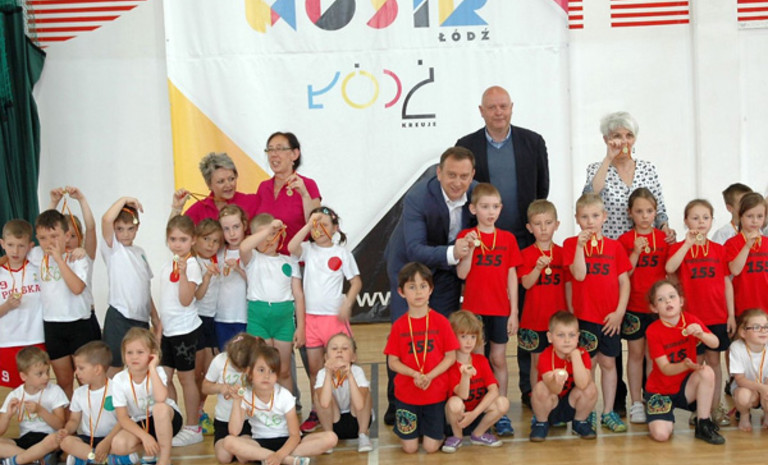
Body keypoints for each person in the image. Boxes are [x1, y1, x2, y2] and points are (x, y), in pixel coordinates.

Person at [456, 86, 550, 405]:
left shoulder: (533, 142)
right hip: (483, 245)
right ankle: (480, 392)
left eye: (503, 106)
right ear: (481, 111)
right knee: (483, 334)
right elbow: (463, 190)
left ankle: (526, 388)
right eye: (492, 107)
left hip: (521, 241)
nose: (499, 112)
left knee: (523, 316)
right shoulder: (466, 145)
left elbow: (541, 189)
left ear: (512, 107)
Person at [383, 147, 476, 424]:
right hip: (410, 268)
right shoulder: (418, 197)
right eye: (451, 175)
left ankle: (441, 399)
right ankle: (397, 403)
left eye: (464, 176)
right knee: (404, 335)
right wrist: (453, 253)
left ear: (472, 175)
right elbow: (415, 248)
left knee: (443, 334)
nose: (457, 182)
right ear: (438, 173)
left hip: (446, 271)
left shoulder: (478, 195)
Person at [288, 207, 361, 433]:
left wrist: (347, 303)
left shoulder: (341, 253)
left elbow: (356, 281)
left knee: (344, 365)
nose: (319, 230)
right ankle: (317, 408)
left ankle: (349, 407)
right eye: (316, 226)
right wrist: (309, 224)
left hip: (334, 320)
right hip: (311, 319)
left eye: (325, 225)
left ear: (335, 228)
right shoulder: (307, 249)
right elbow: (291, 247)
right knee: (315, 370)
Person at [455, 183, 521, 436]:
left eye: (495, 207)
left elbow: (512, 276)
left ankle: (499, 409)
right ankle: (477, 408)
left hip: (500, 308)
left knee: (498, 359)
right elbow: (461, 274)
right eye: (485, 207)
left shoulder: (507, 239)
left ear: (501, 209)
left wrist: (514, 312)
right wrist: (470, 249)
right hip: (474, 311)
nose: (490, 212)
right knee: (478, 361)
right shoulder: (466, 236)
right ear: (473, 209)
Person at [564, 193, 631, 433]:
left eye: (595, 216)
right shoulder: (571, 244)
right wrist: (580, 247)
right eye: (584, 217)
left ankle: (608, 411)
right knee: (588, 365)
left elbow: (624, 282)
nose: (590, 221)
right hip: (585, 317)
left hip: (610, 318)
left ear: (604, 217)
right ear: (577, 219)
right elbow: (579, 275)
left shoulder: (615, 247)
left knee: (609, 363)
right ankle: (588, 410)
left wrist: (619, 313)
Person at [665, 199, 734, 425]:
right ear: (686, 221)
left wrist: (731, 314)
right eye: (695, 218)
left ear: (712, 221)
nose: (701, 222)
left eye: (706, 217)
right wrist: (687, 244)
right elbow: (669, 268)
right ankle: (699, 410)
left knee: (714, 362)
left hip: (717, 315)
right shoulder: (679, 248)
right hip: (692, 318)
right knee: (696, 363)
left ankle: (715, 408)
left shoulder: (719, 249)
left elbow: (726, 283)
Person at [383, 263, 459, 454]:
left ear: (431, 289)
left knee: (430, 448)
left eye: (423, 286)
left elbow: (450, 357)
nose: (418, 292)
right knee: (409, 449)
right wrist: (415, 374)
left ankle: (436, 429)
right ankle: (419, 430)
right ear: (401, 292)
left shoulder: (441, 322)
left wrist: (430, 376)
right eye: (412, 287)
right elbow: (393, 362)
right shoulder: (399, 325)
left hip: (434, 393)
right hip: (407, 395)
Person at [220, 345, 337, 464]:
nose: (266, 376)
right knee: (229, 441)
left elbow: (295, 436)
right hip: (260, 442)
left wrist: (279, 455)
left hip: (288, 442)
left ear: (277, 376)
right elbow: (234, 431)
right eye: (261, 370)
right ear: (249, 372)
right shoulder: (245, 395)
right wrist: (237, 401)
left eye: (272, 371)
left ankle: (266, 458)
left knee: (331, 438)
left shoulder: (284, 396)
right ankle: (287, 460)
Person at [29, 210, 100, 399]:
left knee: (86, 380)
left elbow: (77, 288)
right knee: (64, 381)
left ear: (66, 235)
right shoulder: (37, 255)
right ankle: (68, 417)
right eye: (43, 238)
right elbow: (16, 256)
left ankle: (90, 416)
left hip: (79, 324)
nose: (49, 242)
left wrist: (60, 260)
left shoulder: (78, 258)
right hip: (53, 325)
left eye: (54, 236)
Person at [644, 280, 724, 444]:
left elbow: (715, 343)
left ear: (681, 301)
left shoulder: (690, 320)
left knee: (707, 372)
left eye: (672, 296)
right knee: (661, 435)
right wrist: (685, 365)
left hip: (685, 388)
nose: (668, 301)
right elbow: (665, 368)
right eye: (661, 299)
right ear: (654, 308)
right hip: (661, 391)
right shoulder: (653, 331)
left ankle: (703, 423)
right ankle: (659, 416)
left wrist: (701, 334)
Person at [616, 188, 668, 424]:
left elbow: (670, 271)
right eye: (639, 211)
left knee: (653, 355)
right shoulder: (625, 240)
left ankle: (651, 397)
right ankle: (636, 402)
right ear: (630, 213)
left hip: (657, 308)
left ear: (656, 212)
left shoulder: (664, 239)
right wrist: (636, 252)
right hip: (634, 306)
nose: (645, 216)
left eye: (649, 211)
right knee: (636, 355)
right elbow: (624, 274)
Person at [241, 214, 304, 394]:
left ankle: (288, 408)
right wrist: (269, 229)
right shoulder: (252, 259)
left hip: (284, 320)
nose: (269, 240)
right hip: (258, 319)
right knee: (262, 370)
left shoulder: (290, 261)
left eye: (273, 235)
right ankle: (263, 408)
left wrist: (301, 327)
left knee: (283, 370)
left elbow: (298, 295)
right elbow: (244, 247)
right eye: (263, 236)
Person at [155, 215, 204, 447]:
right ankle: (174, 423)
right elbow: (166, 301)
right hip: (168, 331)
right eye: (173, 239)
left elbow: (185, 300)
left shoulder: (192, 265)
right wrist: (159, 330)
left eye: (183, 239)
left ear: (192, 240)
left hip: (185, 331)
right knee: (164, 378)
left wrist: (183, 274)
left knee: (186, 379)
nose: (177, 244)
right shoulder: (169, 264)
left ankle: (193, 427)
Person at [100, 198, 159, 378]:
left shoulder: (140, 252)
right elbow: (106, 219)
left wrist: (155, 317)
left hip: (141, 319)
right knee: (115, 366)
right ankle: (109, 397)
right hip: (120, 316)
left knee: (141, 367)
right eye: (120, 229)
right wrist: (125, 200)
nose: (125, 234)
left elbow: (145, 288)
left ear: (137, 228)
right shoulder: (114, 249)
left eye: (130, 228)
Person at [110, 328, 183, 465]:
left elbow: (161, 399)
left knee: (159, 408)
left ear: (152, 354)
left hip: (167, 419)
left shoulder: (158, 371)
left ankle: (165, 458)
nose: (134, 357)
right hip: (140, 422)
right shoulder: (119, 379)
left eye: (140, 352)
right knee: (118, 444)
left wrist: (152, 368)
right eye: (129, 352)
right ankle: (149, 452)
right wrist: (144, 437)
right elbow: (123, 418)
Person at [517, 200, 566, 401]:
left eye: (548, 223)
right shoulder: (525, 254)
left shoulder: (563, 253)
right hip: (534, 318)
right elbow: (526, 283)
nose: (544, 228)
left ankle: (557, 398)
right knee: (537, 362)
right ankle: (538, 398)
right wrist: (537, 268)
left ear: (557, 224)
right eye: (538, 224)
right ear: (530, 228)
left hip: (558, 318)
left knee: (558, 359)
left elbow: (569, 286)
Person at [442, 310, 508, 453]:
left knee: (502, 402)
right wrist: (465, 376)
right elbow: (462, 395)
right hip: (456, 416)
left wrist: (474, 414)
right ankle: (457, 436)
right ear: (452, 336)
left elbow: (494, 390)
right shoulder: (450, 364)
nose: (469, 341)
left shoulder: (481, 360)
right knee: (454, 403)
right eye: (463, 336)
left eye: (473, 336)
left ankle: (478, 434)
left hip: (475, 415)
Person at [529, 311, 597, 442]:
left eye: (572, 335)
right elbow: (554, 389)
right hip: (552, 405)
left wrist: (576, 356)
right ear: (550, 337)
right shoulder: (545, 356)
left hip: (572, 404)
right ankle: (541, 423)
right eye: (560, 335)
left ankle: (580, 422)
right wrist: (557, 380)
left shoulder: (582, 354)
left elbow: (583, 384)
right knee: (540, 388)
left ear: (578, 337)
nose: (567, 340)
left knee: (591, 388)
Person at [55, 341, 124, 465]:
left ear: (97, 369)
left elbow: (123, 420)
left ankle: (86, 458)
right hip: (88, 439)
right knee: (66, 442)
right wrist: (67, 430)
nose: (76, 372)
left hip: (111, 437)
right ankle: (103, 460)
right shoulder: (79, 393)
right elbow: (74, 420)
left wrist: (107, 441)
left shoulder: (116, 389)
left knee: (122, 443)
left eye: (81, 368)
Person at [255, 132, 322, 254]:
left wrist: (305, 195)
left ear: (294, 154)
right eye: (270, 150)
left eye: (279, 149)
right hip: (266, 259)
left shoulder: (308, 185)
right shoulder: (263, 187)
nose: (273, 154)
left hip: (296, 260)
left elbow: (317, 228)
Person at [201, 333, 263, 463]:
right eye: (236, 367)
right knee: (224, 457)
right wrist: (220, 388)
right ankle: (235, 446)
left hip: (247, 421)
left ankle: (239, 447)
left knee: (243, 456)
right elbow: (205, 387)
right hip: (223, 421)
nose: (239, 370)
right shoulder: (219, 361)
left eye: (243, 367)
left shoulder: (256, 362)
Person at [0, 347, 66, 465]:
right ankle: (34, 459)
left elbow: (60, 425)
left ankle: (23, 459)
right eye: (39, 374)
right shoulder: (15, 394)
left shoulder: (55, 391)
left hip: (47, 439)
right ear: (24, 376)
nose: (46, 377)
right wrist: (7, 416)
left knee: (56, 440)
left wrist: (40, 411)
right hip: (26, 439)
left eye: (47, 371)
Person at [0, 220, 43, 390]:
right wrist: (7, 306)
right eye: (10, 245)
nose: (15, 251)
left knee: (38, 386)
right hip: (7, 341)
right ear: (2, 244)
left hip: (36, 338)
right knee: (15, 391)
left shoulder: (38, 268)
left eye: (21, 246)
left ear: (30, 246)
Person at [314, 333, 373, 453]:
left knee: (364, 391)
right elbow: (324, 403)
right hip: (334, 422)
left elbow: (359, 405)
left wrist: (349, 375)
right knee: (318, 394)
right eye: (334, 348)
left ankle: (363, 435)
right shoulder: (322, 374)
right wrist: (329, 374)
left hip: (355, 421)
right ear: (326, 357)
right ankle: (328, 436)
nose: (339, 351)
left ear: (353, 357)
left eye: (345, 348)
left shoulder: (357, 371)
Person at [191, 218, 223, 437]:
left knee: (210, 369)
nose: (211, 245)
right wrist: (207, 276)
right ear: (195, 239)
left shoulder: (216, 260)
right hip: (196, 319)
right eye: (206, 239)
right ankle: (195, 413)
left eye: (216, 241)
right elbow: (198, 295)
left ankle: (200, 408)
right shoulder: (192, 262)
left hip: (212, 320)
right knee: (196, 371)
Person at [171, 152, 260, 225]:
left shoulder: (252, 201)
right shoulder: (199, 210)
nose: (228, 185)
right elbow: (175, 236)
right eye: (221, 181)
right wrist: (176, 209)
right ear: (209, 184)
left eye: (231, 179)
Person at [725, 192, 768, 318]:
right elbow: (735, 270)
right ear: (740, 216)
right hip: (743, 306)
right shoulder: (732, 243)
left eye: (760, 216)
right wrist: (747, 246)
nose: (755, 221)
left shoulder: (766, 242)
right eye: (750, 216)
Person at [215, 206, 249, 350]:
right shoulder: (217, 252)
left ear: (244, 225)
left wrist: (238, 269)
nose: (232, 233)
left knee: (244, 357)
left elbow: (256, 281)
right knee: (224, 357)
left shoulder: (250, 251)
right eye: (226, 229)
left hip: (243, 316)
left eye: (236, 227)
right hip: (221, 316)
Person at [729, 308, 768, 432]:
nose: (763, 330)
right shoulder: (736, 347)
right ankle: (744, 415)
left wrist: (765, 389)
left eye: (766, 326)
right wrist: (761, 388)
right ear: (743, 332)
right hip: (746, 388)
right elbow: (740, 380)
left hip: (765, 386)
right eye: (756, 327)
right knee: (742, 396)